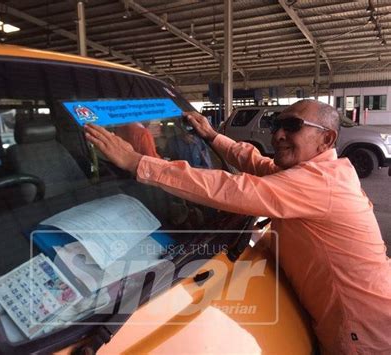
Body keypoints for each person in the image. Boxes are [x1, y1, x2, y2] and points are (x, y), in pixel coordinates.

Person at [85, 99, 391, 354]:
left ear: (327, 139)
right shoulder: (320, 172)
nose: (279, 135)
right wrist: (213, 137)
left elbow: (233, 189)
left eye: (293, 126)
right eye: (277, 125)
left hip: (363, 328)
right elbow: (260, 165)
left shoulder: (319, 184)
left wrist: (138, 163)